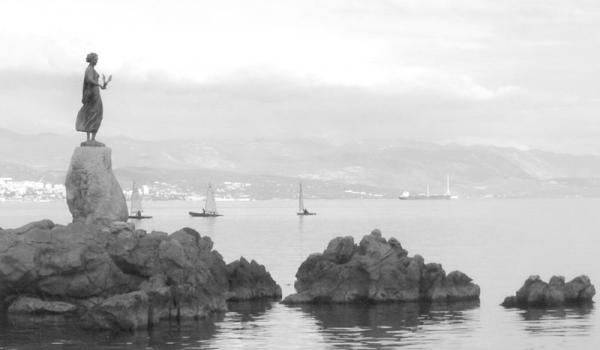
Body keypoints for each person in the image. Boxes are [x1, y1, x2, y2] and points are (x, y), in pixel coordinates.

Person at [76, 52, 110, 143]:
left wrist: (101, 86)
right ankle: (89, 139)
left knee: (97, 114)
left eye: (97, 59)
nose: (97, 61)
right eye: (96, 59)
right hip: (92, 95)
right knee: (92, 113)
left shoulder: (92, 69)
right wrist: (98, 84)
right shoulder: (89, 69)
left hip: (95, 93)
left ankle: (92, 138)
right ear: (92, 59)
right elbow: (89, 79)